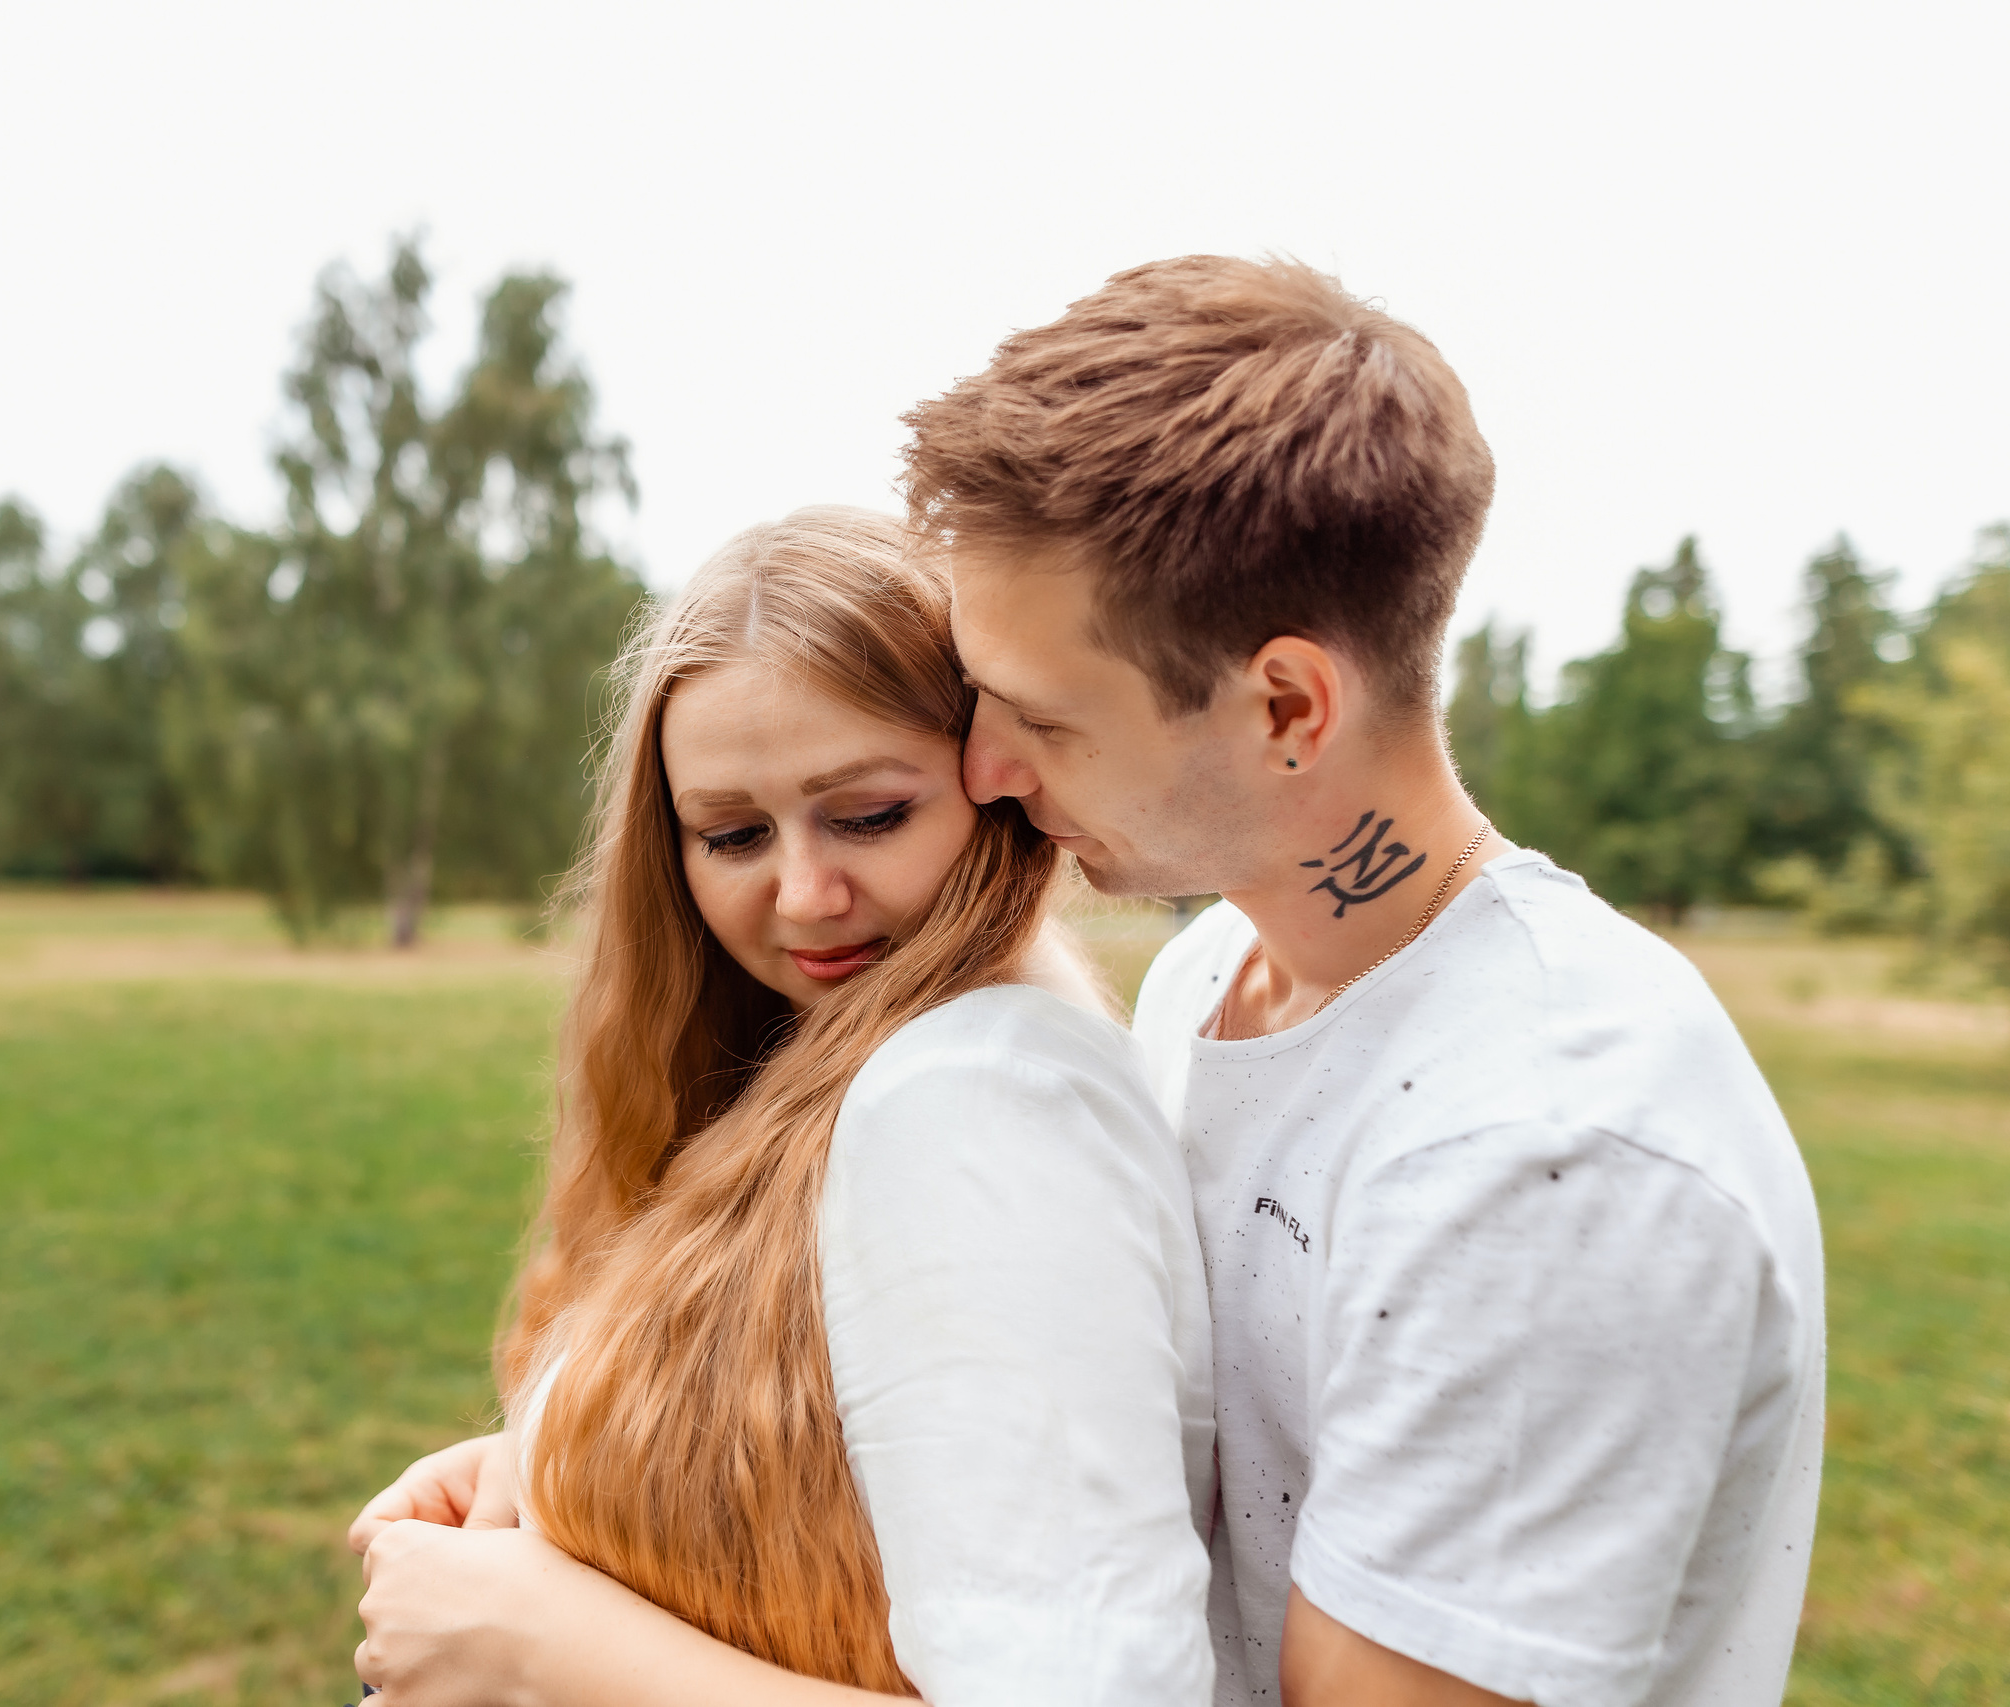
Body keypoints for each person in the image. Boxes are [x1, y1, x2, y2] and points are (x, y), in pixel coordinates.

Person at [353, 259, 1826, 1707]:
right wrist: (599, 1476)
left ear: (1287, 705)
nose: (987, 769)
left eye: (1040, 715)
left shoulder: (1546, 1151)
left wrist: (551, 1647)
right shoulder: (1210, 982)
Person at [354, 507, 1216, 1704]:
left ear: (995, 779)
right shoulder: (873, 1063)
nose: (805, 896)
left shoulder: (979, 1100)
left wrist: (529, 1636)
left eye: (867, 816)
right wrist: (572, 1458)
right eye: (732, 834)